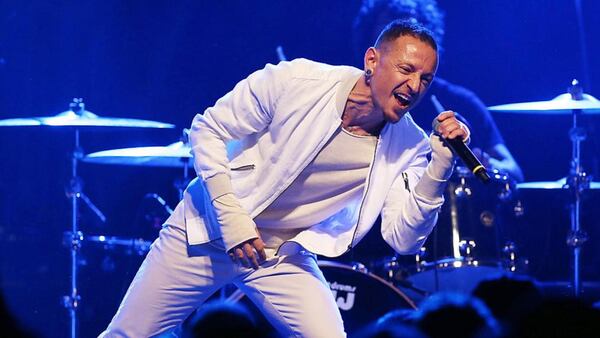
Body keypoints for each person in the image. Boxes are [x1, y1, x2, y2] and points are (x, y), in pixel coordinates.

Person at [100, 20, 469, 337]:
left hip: (279, 254)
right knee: (128, 334)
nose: (416, 86)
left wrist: (440, 165)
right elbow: (208, 130)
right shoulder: (296, 80)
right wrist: (232, 218)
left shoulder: (410, 144)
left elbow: (403, 239)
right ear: (372, 60)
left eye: (426, 79)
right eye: (406, 70)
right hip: (208, 228)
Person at [353, 0, 523, 182]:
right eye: (393, 33)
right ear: (372, 54)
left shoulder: (460, 102)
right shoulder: (350, 94)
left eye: (414, 32)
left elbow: (514, 171)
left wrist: (482, 162)